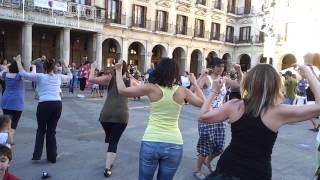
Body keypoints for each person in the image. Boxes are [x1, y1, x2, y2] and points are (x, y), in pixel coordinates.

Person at [198, 64, 320, 180]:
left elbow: (203, 116)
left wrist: (214, 91)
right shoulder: (279, 111)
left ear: (248, 82)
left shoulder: (234, 105)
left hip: (228, 166)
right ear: (276, 85)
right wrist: (309, 73)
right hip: (257, 171)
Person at [115, 57, 204, 180]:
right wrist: (194, 83)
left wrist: (119, 71)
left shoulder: (151, 88)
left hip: (151, 141)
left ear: (159, 70)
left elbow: (122, 90)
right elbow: (203, 103)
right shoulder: (182, 91)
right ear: (175, 73)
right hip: (174, 144)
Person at [15, 55, 72, 163]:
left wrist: (18, 61)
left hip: (44, 104)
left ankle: (37, 155)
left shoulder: (41, 76)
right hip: (57, 103)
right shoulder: (58, 76)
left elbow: (23, 74)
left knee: (41, 130)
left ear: (44, 67)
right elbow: (70, 76)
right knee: (51, 131)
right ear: (54, 67)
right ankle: (52, 157)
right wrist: (65, 65)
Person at [194, 57, 242, 180]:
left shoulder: (224, 79)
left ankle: (208, 161)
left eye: (222, 66)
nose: (221, 68)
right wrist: (200, 76)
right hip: (207, 114)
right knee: (206, 144)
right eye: (218, 66)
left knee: (219, 147)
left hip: (220, 116)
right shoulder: (207, 78)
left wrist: (239, 71)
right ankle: (198, 170)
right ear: (212, 66)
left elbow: (239, 83)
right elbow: (193, 90)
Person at [88, 61, 130, 177]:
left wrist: (92, 67)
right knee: (113, 142)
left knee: (109, 137)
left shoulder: (109, 78)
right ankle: (107, 167)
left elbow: (91, 79)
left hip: (105, 115)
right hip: (121, 115)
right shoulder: (130, 81)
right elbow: (143, 87)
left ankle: (109, 160)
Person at [0, 59, 34, 139]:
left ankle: (5, 140)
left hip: (6, 100)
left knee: (6, 122)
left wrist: (6, 67)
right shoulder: (19, 76)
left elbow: (1, 73)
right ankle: (9, 139)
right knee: (14, 122)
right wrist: (33, 66)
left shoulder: (5, 74)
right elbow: (31, 75)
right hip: (17, 101)